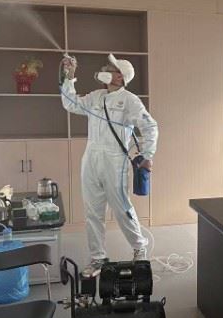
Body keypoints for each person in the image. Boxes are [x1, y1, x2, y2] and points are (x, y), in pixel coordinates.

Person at [60, 54, 158, 273]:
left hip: (115, 160)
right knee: (92, 211)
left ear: (120, 77)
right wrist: (69, 77)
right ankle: (98, 257)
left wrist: (147, 155)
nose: (104, 68)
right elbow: (70, 103)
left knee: (122, 208)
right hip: (91, 157)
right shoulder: (96, 96)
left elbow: (150, 126)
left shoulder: (130, 100)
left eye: (110, 68)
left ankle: (139, 247)